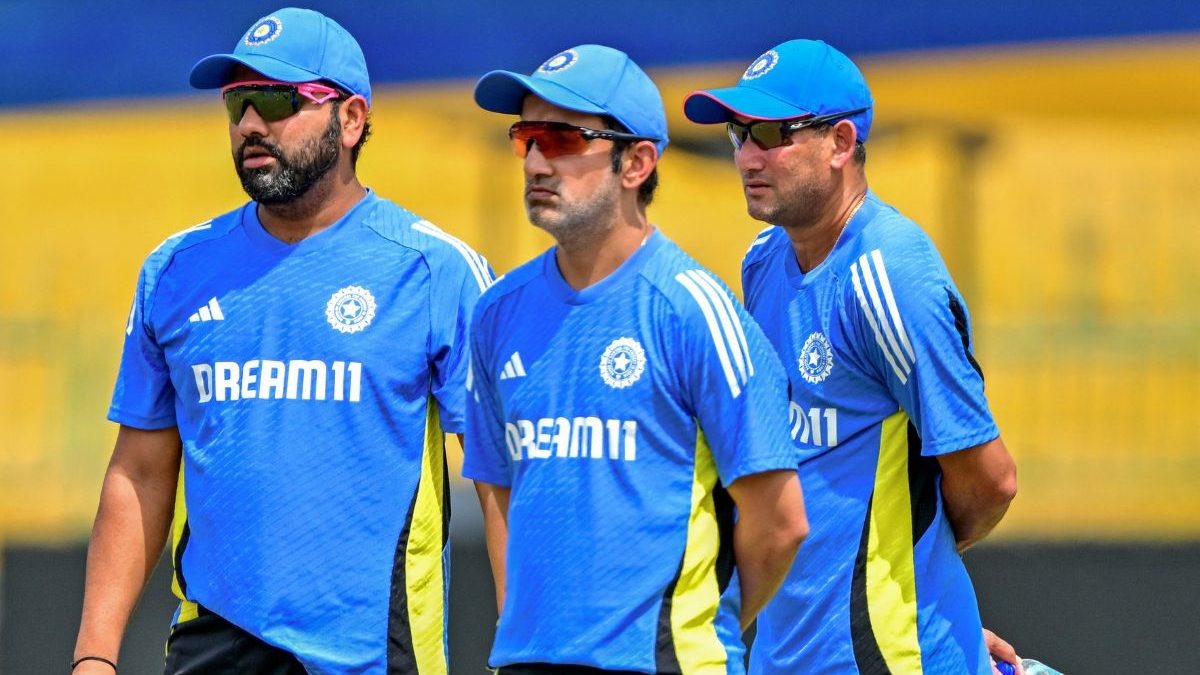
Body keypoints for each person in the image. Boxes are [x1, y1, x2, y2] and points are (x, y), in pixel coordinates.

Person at [72, 8, 491, 674]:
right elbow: (140, 471)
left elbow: (500, 481)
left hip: (374, 658)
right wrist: (94, 655)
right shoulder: (177, 269)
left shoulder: (436, 270)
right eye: (237, 103)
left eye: (275, 100)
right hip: (211, 652)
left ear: (352, 119)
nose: (249, 126)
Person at [464, 45, 808, 674]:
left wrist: (698, 625)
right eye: (525, 139)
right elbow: (499, 495)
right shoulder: (497, 313)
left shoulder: (695, 311)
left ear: (637, 162)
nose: (537, 161)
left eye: (562, 139)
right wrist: (519, 640)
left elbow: (780, 522)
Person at [684, 39, 1020, 675]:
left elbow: (990, 479)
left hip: (887, 658)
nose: (747, 156)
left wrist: (925, 584)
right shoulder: (763, 260)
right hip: (785, 657)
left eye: (771, 132)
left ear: (841, 143)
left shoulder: (888, 274)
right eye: (737, 133)